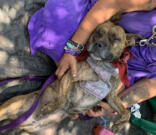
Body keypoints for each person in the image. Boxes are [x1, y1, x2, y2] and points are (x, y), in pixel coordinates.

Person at [28, 0, 156, 117]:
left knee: (96, 95)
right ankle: (66, 70)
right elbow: (107, 5)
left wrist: (114, 106)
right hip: (98, 28)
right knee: (59, 15)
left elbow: (152, 84)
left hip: (127, 66)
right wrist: (72, 50)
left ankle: (68, 80)